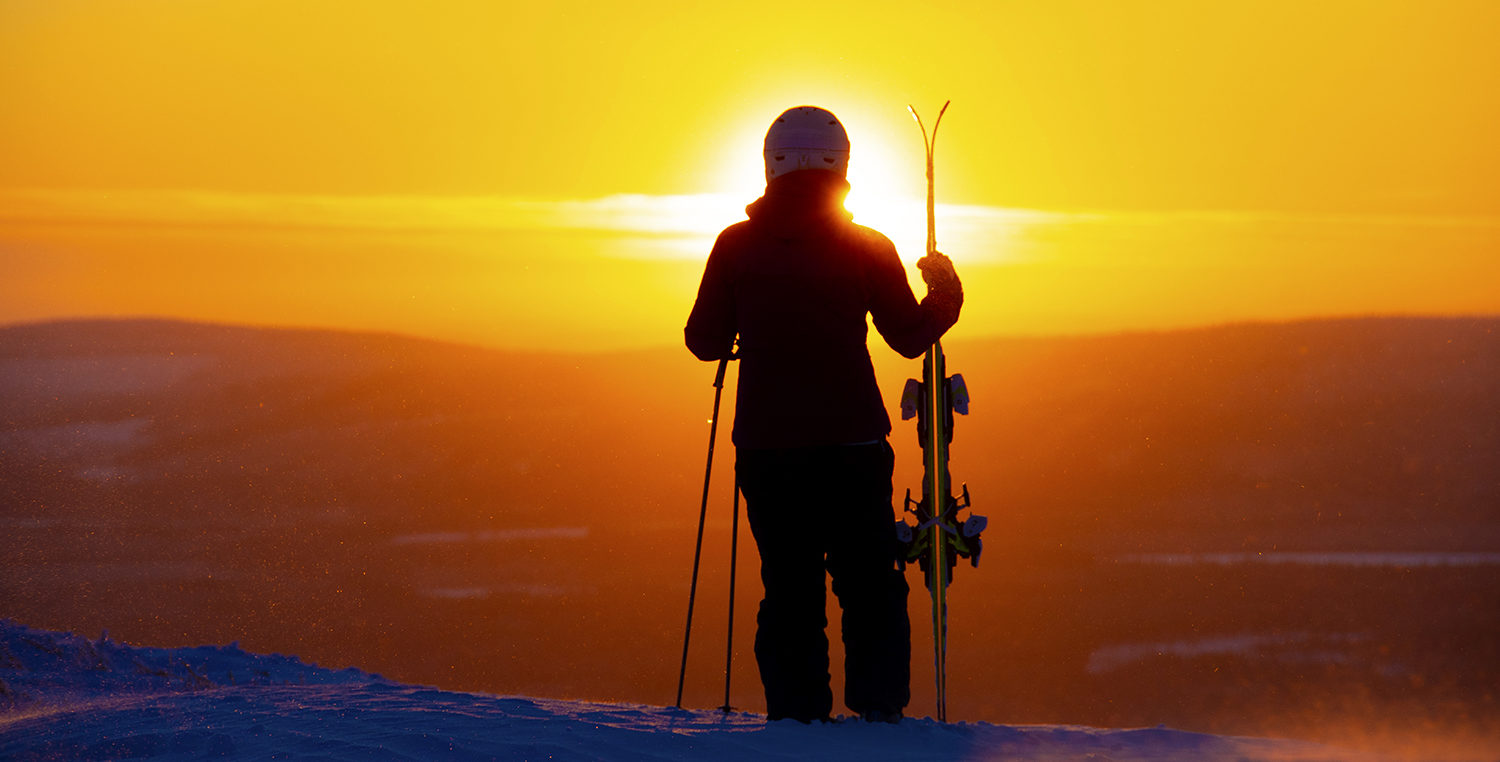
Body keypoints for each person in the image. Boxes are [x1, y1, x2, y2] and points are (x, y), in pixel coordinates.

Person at [684, 105, 964, 724]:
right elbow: (911, 335)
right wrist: (946, 293)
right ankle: (879, 713)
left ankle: (796, 716)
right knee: (869, 585)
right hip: (854, 444)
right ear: (840, 168)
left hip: (766, 447)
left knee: (789, 587)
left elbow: (703, 341)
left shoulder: (734, 246)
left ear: (770, 164)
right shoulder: (867, 248)